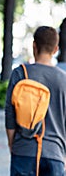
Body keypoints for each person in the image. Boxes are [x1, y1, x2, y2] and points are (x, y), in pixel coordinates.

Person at [5, 26, 66, 175]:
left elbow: (10, 115)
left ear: (34, 45)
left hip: (24, 151)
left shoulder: (20, 73)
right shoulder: (64, 79)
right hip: (55, 154)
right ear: (56, 49)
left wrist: (14, 145)